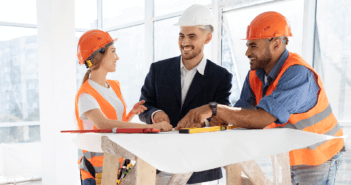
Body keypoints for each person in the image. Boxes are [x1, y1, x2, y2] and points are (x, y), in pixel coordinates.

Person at [176, 11, 345, 185]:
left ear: (276, 44)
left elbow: (262, 118)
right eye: (248, 45)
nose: (247, 52)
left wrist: (214, 108)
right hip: (289, 156)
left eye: (254, 46)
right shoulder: (255, 74)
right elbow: (241, 115)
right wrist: (208, 121)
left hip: (319, 158)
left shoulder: (297, 73)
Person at [139, 4, 233, 185]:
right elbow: (144, 105)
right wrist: (154, 114)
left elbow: (223, 115)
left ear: (208, 38)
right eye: (181, 35)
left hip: (203, 171)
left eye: (192, 36)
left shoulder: (221, 77)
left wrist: (203, 121)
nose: (184, 42)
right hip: (161, 164)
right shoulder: (158, 70)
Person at [75, 30, 173, 185]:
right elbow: (104, 125)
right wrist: (151, 127)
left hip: (120, 162)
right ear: (99, 55)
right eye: (113, 51)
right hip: (98, 170)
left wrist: (131, 114)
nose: (117, 57)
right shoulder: (85, 94)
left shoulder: (114, 86)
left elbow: (116, 123)